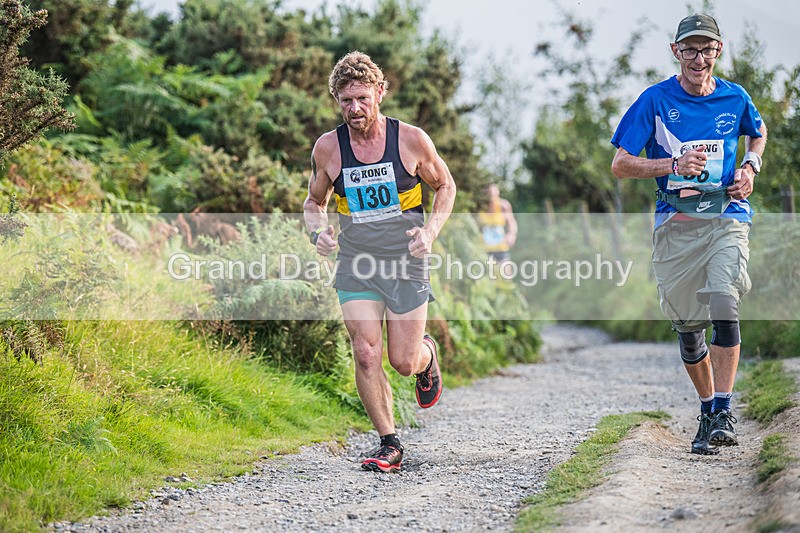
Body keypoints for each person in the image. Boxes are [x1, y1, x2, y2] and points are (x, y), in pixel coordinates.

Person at [610, 13, 767, 455]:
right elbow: (621, 164)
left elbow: (758, 133)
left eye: (707, 49)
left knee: (724, 299)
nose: (699, 58)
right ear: (676, 52)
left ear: (719, 51)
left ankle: (722, 409)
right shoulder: (655, 101)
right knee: (688, 330)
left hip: (727, 216)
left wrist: (750, 168)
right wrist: (672, 165)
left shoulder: (735, 98)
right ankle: (705, 410)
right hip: (675, 224)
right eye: (691, 49)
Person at [303, 51, 457, 472]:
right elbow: (313, 202)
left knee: (402, 362)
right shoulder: (329, 148)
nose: (355, 109)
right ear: (336, 99)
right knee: (366, 352)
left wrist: (430, 232)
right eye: (345, 100)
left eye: (363, 99)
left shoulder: (410, 140)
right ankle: (389, 442)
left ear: (380, 93)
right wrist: (318, 232)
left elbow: (445, 186)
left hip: (405, 260)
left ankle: (426, 355)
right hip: (357, 261)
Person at [478, 183, 518, 265]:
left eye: (494, 191)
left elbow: (511, 221)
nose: (492, 194)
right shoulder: (480, 207)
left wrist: (511, 234)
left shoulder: (503, 205)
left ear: (498, 192)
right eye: (489, 192)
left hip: (501, 247)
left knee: (506, 275)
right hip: (484, 249)